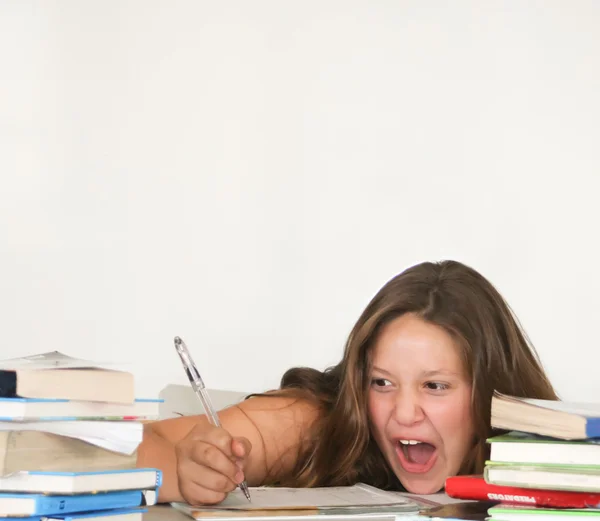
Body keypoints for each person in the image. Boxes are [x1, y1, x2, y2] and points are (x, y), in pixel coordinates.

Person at [137, 260, 557, 505]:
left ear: (492, 394)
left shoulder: (554, 461)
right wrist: (185, 467)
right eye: (381, 382)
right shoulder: (318, 423)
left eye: (435, 386)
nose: (404, 414)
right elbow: (133, 448)